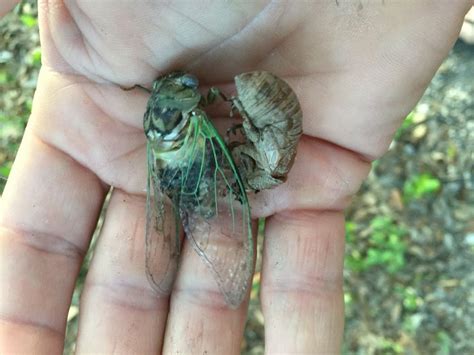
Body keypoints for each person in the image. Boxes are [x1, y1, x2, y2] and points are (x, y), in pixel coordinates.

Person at [0, 1, 471, 353]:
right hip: (211, 155)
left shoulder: (170, 114)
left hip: (175, 158)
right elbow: (222, 120)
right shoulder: (207, 114)